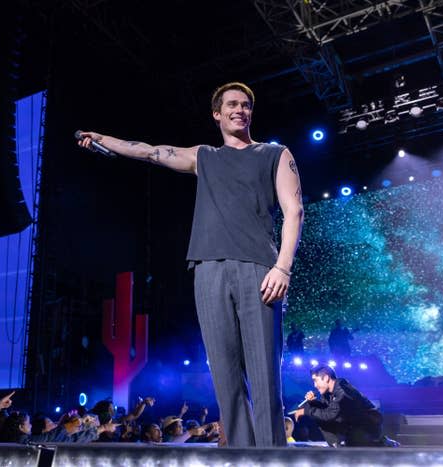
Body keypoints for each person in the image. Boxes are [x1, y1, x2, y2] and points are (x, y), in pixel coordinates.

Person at [77, 81, 304, 447]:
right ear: (217, 113)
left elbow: (294, 210)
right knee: (225, 376)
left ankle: (272, 456)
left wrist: (283, 267)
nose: (239, 110)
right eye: (231, 104)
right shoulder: (204, 156)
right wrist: (106, 139)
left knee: (264, 374)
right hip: (207, 270)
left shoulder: (274, 154)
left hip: (259, 270)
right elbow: (151, 152)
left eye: (246, 105)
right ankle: (242, 456)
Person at [293, 364, 398, 447]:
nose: (315, 385)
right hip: (351, 425)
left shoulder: (343, 391)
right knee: (319, 416)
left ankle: (384, 443)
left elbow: (330, 414)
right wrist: (313, 402)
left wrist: (306, 411)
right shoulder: (328, 393)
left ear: (325, 377)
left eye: (315, 380)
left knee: (356, 444)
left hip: (367, 425)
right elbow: (325, 409)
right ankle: (337, 445)